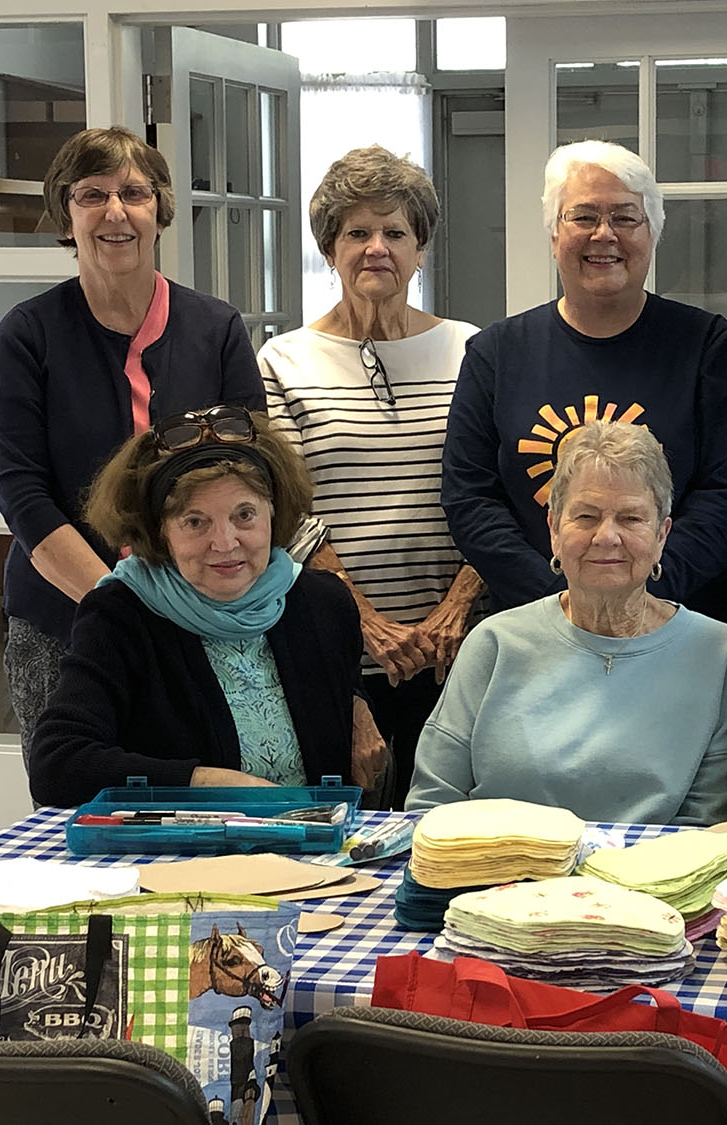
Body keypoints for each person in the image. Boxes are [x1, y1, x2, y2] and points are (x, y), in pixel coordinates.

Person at [0, 126, 264, 770]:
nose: (116, 212)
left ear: (160, 210)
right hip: (65, 622)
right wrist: (118, 604)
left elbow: (252, 472)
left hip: (203, 616)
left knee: (197, 803)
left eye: (134, 193)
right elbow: (22, 491)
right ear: (66, 213)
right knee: (81, 811)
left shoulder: (216, 328)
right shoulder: (28, 335)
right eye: (92, 195)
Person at [442, 140, 727, 628]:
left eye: (626, 218)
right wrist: (563, 604)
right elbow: (470, 499)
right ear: (553, 235)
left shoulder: (709, 347)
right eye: (583, 217)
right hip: (539, 628)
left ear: (653, 234)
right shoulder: (496, 355)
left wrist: (642, 598)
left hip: (680, 624)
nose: (604, 235)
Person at [260, 145, 481, 806]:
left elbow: (494, 490)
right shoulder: (284, 361)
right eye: (356, 232)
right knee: (348, 833)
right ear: (330, 249)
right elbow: (287, 507)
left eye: (395, 232)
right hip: (337, 654)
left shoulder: (473, 350)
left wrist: (456, 606)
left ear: (421, 248)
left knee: (457, 833)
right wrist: (365, 623)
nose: (375, 247)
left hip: (458, 648)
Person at [29, 407, 383, 807]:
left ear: (274, 512)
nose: (226, 542)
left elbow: (338, 693)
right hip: (181, 859)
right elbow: (56, 766)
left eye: (244, 515)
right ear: (160, 532)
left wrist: (356, 702)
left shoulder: (323, 603)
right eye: (195, 522)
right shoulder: (120, 615)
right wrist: (204, 782)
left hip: (316, 852)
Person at [409, 420, 727, 826]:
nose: (606, 537)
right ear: (554, 530)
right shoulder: (494, 644)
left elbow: (710, 827)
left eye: (631, 519)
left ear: (662, 535)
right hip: (496, 875)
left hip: (649, 882)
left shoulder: (720, 655)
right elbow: (432, 804)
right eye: (586, 516)